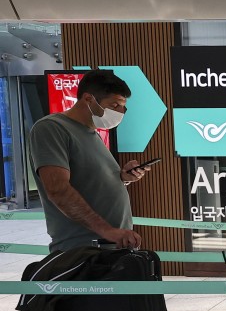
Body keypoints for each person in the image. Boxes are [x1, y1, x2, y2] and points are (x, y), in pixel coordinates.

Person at [29, 69, 150, 251]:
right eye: (114, 105)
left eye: (123, 107)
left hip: (111, 247)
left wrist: (123, 178)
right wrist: (107, 231)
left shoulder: (93, 134)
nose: (120, 112)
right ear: (88, 99)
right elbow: (57, 189)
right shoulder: (52, 128)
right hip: (83, 250)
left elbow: (90, 182)